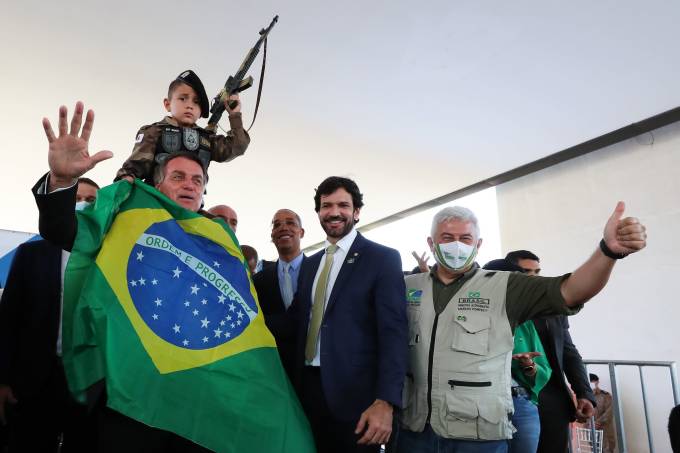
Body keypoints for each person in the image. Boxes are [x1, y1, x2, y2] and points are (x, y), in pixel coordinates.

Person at [33, 102, 221, 452]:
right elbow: (62, 231)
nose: (189, 186)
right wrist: (62, 181)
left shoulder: (218, 242)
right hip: (127, 399)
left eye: (198, 180)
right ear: (157, 184)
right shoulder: (124, 220)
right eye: (177, 177)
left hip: (193, 405)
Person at [397, 205, 646, 453]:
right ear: (431, 243)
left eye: (465, 238)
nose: (456, 245)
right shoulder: (406, 287)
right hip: (415, 429)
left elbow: (572, 290)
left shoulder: (504, 286)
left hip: (477, 433)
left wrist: (607, 252)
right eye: (447, 238)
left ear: (478, 244)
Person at [288, 176, 408, 453]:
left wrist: (386, 401)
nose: (333, 212)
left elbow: (394, 334)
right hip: (307, 394)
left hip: (358, 403)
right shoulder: (311, 264)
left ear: (356, 212)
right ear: (318, 212)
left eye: (343, 205)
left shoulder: (382, 259)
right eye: (326, 205)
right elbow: (293, 322)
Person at [0, 178, 100, 453]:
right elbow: (9, 317)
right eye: (77, 197)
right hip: (33, 381)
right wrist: (3, 379)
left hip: (87, 383)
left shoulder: (108, 258)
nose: (83, 204)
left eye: (92, 200)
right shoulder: (31, 253)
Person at [115, 70, 250, 184]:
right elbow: (133, 169)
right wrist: (125, 182)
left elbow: (237, 147)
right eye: (183, 98)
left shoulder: (207, 138)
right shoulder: (154, 132)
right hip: (158, 204)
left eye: (196, 102)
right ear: (167, 104)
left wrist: (235, 115)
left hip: (191, 208)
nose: (189, 105)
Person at [483, 258, 552, 453]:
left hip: (520, 403)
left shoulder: (526, 322)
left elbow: (543, 369)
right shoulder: (469, 315)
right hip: (479, 405)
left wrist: (529, 366)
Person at [253, 209, 306, 378]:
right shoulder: (259, 281)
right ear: (272, 235)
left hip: (318, 371)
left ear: (301, 232)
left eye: (290, 223)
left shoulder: (321, 270)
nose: (283, 227)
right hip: (278, 371)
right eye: (277, 225)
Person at [589, 373, 616, 453]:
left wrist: (598, 422)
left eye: (593, 382)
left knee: (607, 449)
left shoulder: (605, 395)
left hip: (605, 429)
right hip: (590, 429)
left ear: (597, 382)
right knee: (594, 449)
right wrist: (590, 424)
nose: (592, 384)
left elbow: (610, 411)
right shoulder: (584, 397)